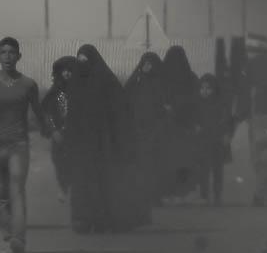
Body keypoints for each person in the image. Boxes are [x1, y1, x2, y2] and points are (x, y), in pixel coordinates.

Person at [0, 38, 46, 253]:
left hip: (18, 145)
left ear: (18, 57)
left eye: (12, 52)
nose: (7, 56)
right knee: (2, 194)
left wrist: (52, 130)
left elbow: (40, 113)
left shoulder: (28, 85)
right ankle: (8, 234)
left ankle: (19, 239)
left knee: (17, 190)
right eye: (3, 52)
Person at [66, 45, 148, 233]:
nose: (82, 65)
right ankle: (83, 220)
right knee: (83, 181)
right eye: (79, 61)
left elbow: (120, 111)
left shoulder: (107, 81)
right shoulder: (76, 84)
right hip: (83, 143)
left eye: (86, 61)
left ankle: (104, 219)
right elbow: (71, 115)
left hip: (105, 142)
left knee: (103, 181)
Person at [124, 52, 167, 206]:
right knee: (140, 162)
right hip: (138, 127)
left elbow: (163, 103)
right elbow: (126, 97)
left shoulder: (159, 82)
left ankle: (155, 195)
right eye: (145, 63)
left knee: (154, 162)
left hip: (155, 127)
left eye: (150, 64)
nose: (147, 67)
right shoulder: (136, 79)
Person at [161, 45, 200, 202]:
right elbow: (196, 101)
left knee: (170, 158)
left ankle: (170, 191)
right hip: (184, 126)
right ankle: (181, 191)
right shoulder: (191, 77)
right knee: (182, 159)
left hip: (171, 126)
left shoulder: (162, 76)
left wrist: (170, 107)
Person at [194, 74, 234, 207]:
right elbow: (194, 119)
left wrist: (227, 134)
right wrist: (196, 126)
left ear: (214, 89)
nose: (204, 91)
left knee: (217, 169)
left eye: (208, 88)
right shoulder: (198, 103)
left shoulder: (221, 104)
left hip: (217, 141)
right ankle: (204, 195)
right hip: (203, 141)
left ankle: (217, 195)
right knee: (203, 169)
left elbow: (227, 121)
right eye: (202, 88)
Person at [41, 56, 76, 202]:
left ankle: (76, 189)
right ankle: (63, 187)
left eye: (70, 70)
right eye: (64, 71)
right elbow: (47, 114)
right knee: (59, 162)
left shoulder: (81, 91)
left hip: (77, 134)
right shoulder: (54, 92)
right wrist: (54, 131)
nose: (67, 73)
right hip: (59, 134)